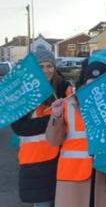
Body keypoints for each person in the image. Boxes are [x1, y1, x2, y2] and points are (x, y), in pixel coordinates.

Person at [46, 61, 106, 207]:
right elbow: (54, 141)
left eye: (99, 83)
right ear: (83, 83)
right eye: (90, 83)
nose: (94, 88)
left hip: (104, 174)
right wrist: (56, 116)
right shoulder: (67, 104)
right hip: (73, 175)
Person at [10, 47, 71, 207]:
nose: (46, 70)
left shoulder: (63, 88)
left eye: (49, 66)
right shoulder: (24, 93)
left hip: (63, 157)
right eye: (41, 66)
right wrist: (54, 119)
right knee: (44, 203)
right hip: (37, 161)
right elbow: (20, 128)